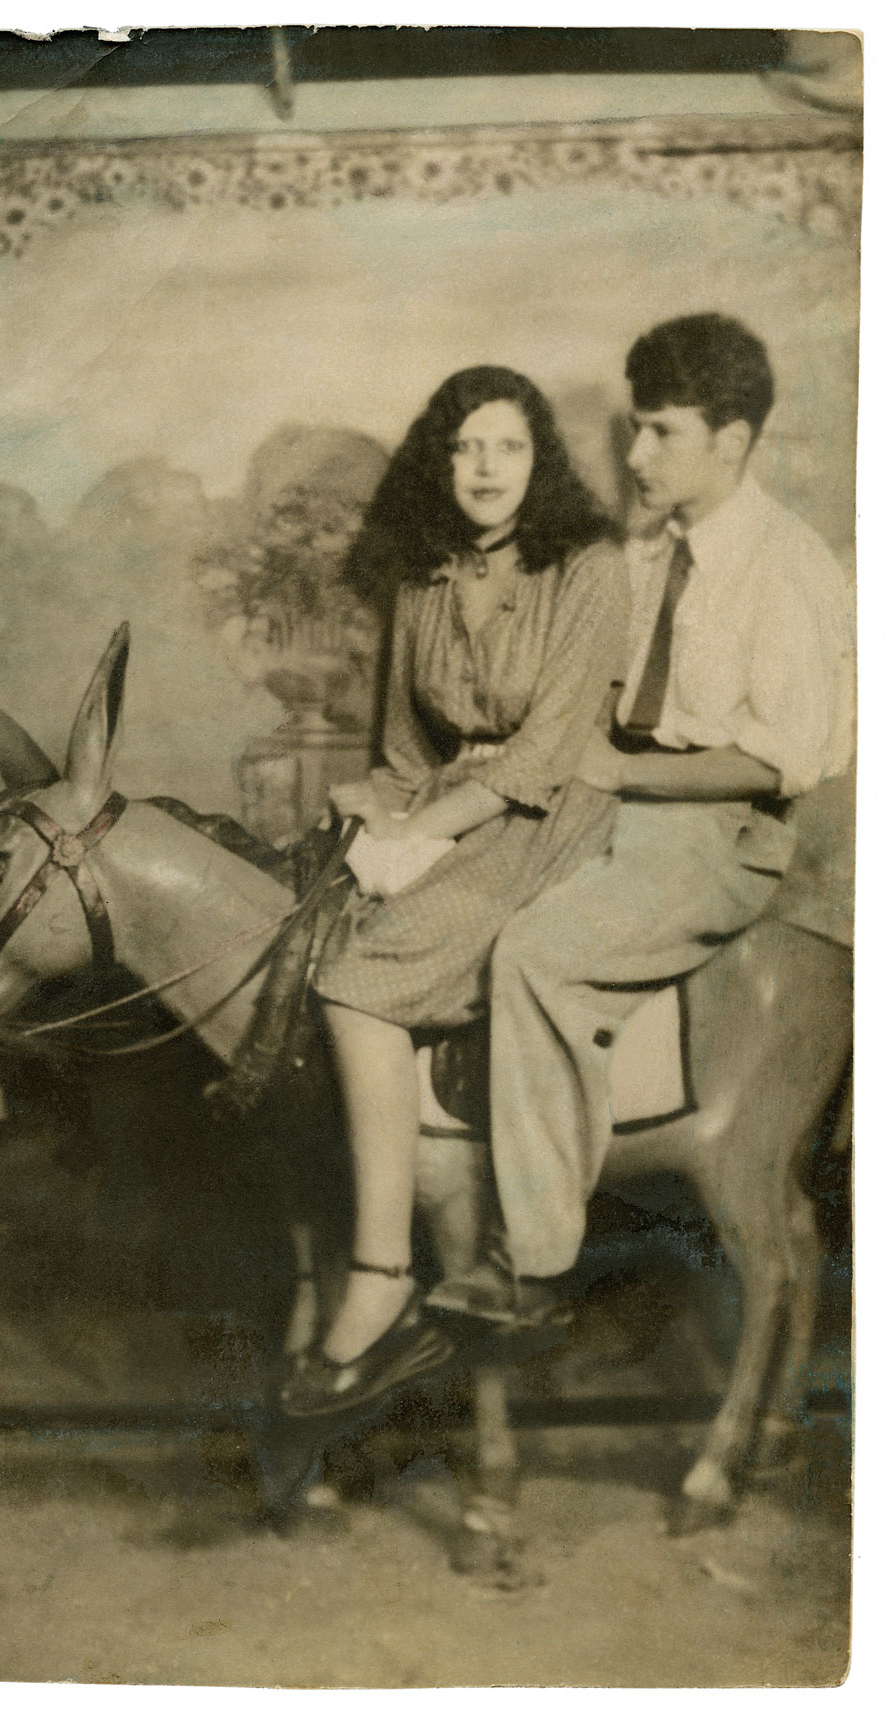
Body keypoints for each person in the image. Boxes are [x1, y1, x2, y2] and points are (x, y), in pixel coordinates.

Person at [427, 314, 854, 1328]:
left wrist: (618, 773)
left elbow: (776, 757)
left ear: (734, 442)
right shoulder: (655, 547)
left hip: (718, 838)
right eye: (637, 429)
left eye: (661, 432)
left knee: (534, 951)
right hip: (620, 794)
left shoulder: (789, 569)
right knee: (444, 894)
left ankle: (528, 1260)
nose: (637, 454)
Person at [280, 365, 629, 1417]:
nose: (486, 469)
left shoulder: (590, 568)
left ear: (539, 461)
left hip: (549, 816)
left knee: (356, 984)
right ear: (442, 461)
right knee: (307, 926)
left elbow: (542, 755)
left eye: (509, 448)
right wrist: (368, 816)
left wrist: (424, 830)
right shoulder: (422, 577)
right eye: (467, 448)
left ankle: (384, 1278)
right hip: (446, 801)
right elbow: (398, 748)